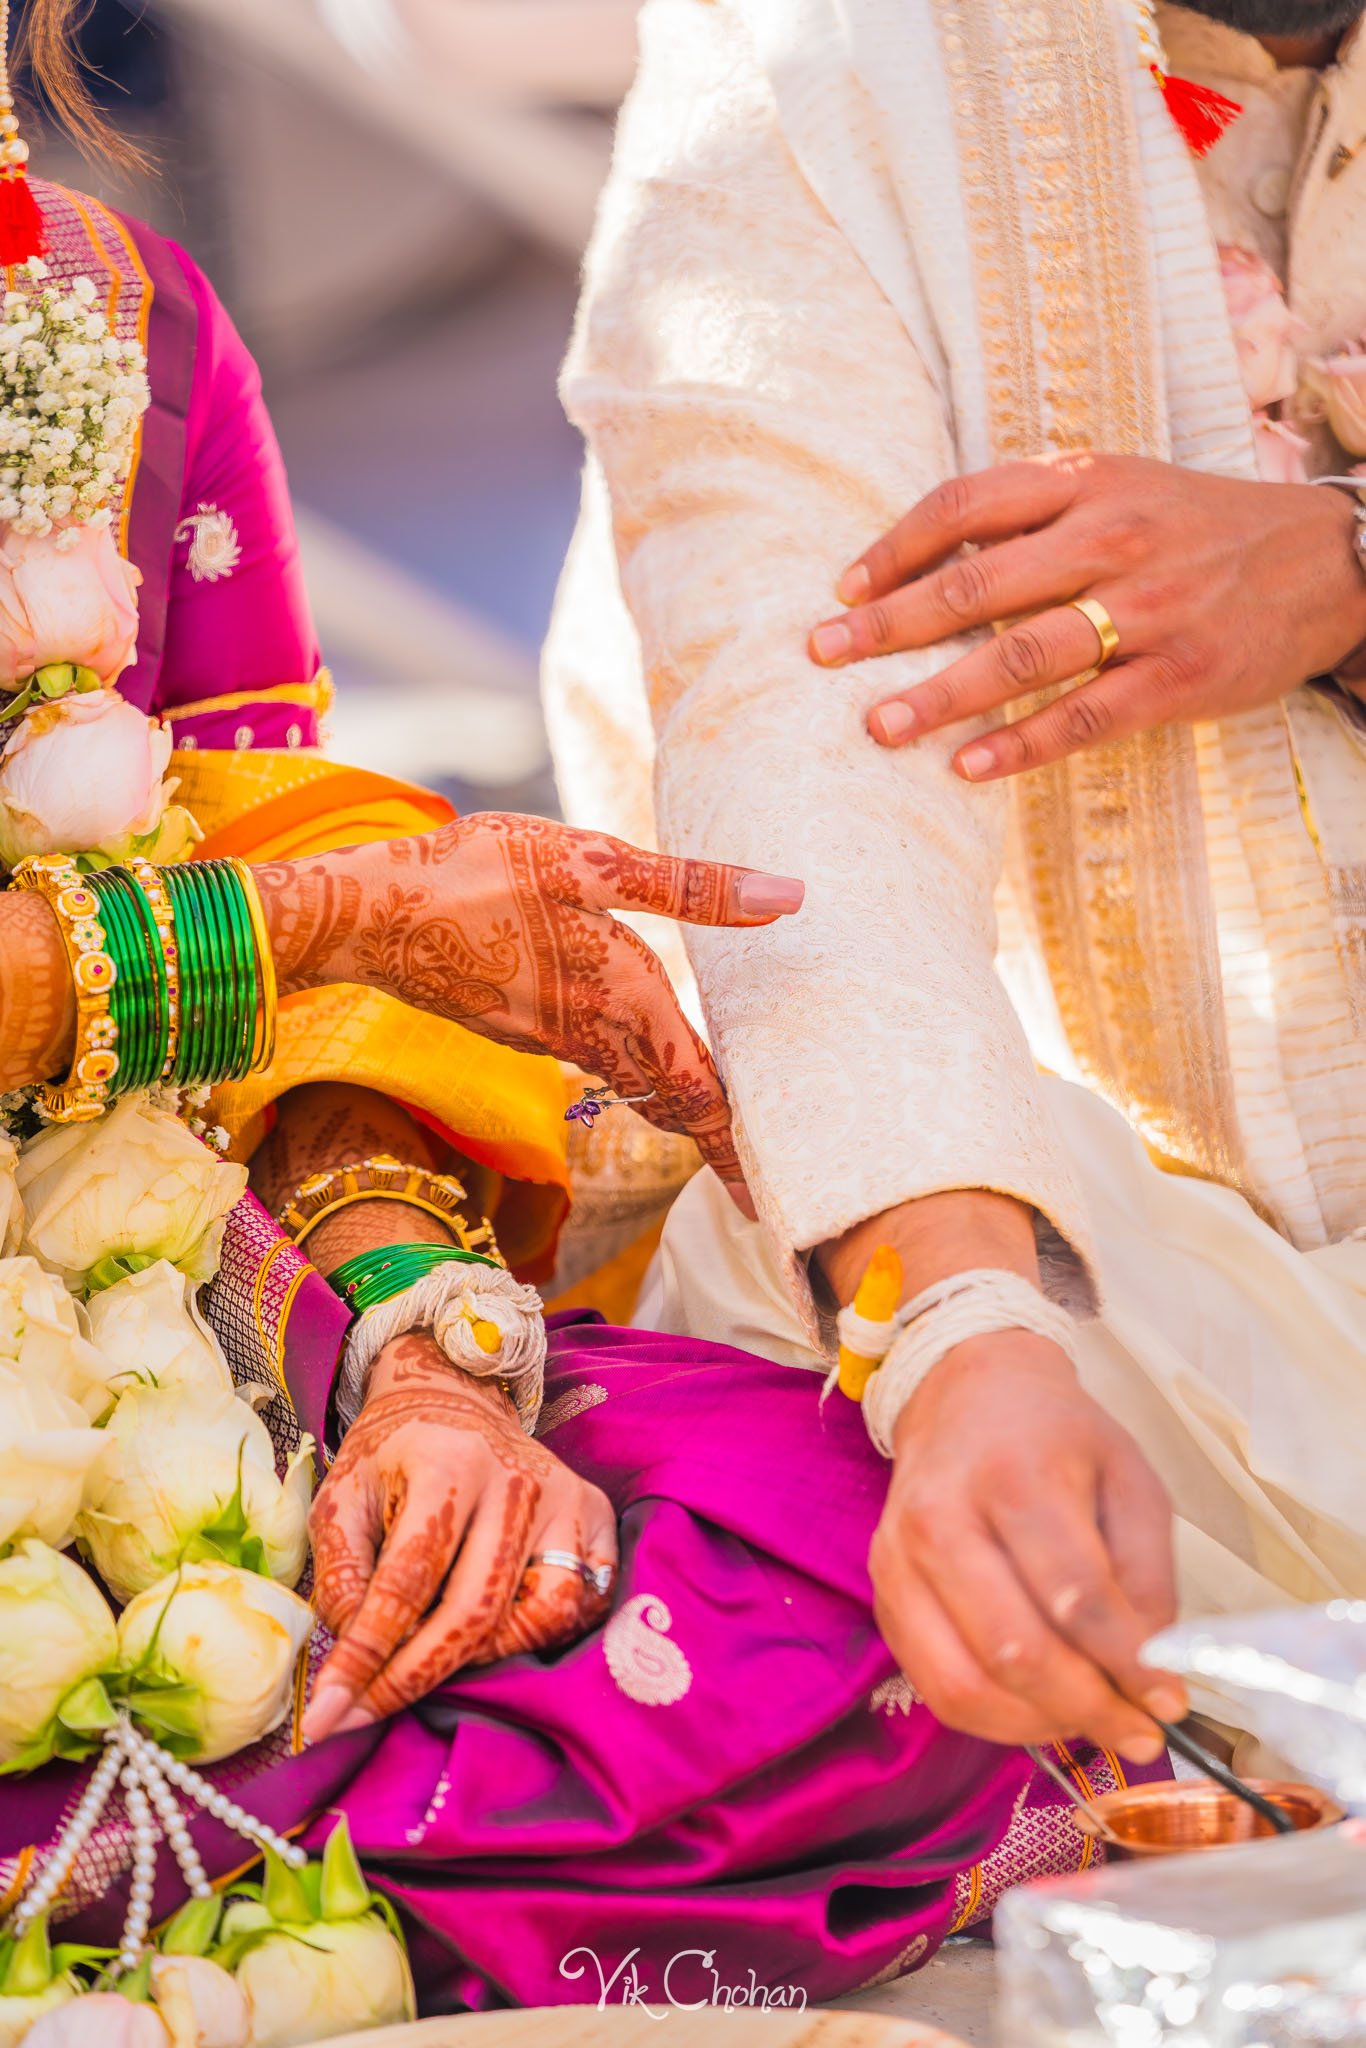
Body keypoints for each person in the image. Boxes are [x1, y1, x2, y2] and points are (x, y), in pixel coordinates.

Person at [0, 0, 1166, 2012]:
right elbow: (300, 932)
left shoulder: (122, 320)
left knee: (857, 1562)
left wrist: (423, 1358)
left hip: (109, 1295)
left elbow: (279, 997)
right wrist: (332, 920)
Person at [546, 0, 1366, 1797]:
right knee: (847, 1375)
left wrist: (1347, 563)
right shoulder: (820, 59)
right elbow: (803, 740)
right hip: (1116, 1235)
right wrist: (962, 1339)